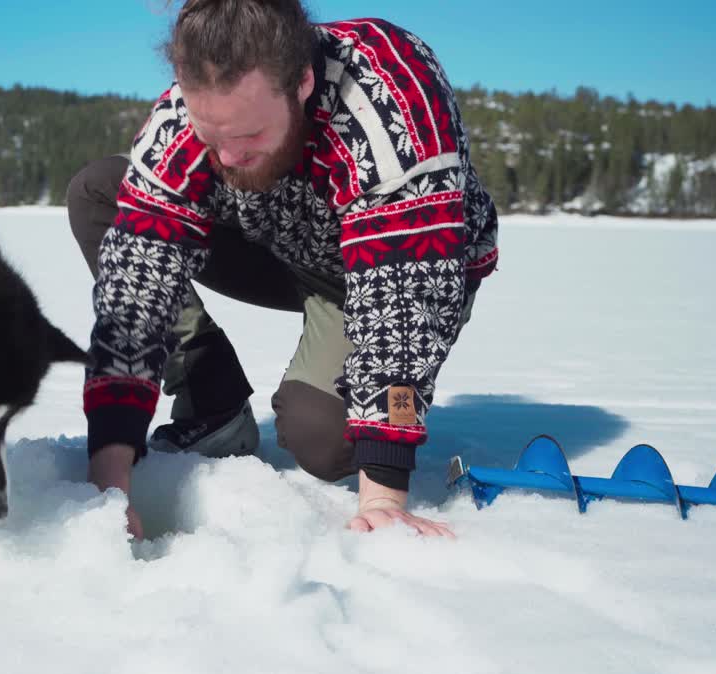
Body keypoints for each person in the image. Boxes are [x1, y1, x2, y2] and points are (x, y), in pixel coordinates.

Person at [66, 0, 498, 538]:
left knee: (319, 436)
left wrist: (383, 493)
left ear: (301, 83)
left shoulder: (389, 100)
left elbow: (404, 305)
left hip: (393, 268)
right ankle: (212, 398)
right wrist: (111, 483)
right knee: (104, 191)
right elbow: (136, 289)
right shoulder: (190, 115)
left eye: (246, 139)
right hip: (281, 242)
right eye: (210, 136)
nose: (223, 157)